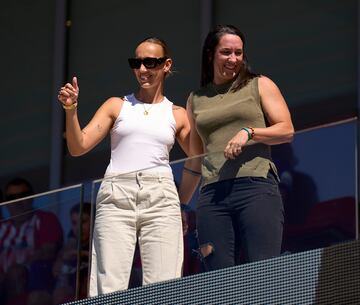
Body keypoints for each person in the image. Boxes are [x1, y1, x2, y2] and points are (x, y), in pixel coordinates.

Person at [58, 37, 190, 296]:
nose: (142, 69)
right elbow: (78, 146)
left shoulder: (177, 113)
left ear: (166, 65)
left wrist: (181, 201)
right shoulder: (116, 105)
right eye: (136, 62)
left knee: (164, 288)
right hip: (117, 193)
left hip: (161, 195)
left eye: (150, 62)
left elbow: (199, 159)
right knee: (108, 286)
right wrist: (70, 109)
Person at [181, 24, 294, 271]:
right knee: (219, 282)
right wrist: (180, 205)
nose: (234, 59)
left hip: (255, 187)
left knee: (262, 274)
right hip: (212, 196)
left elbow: (286, 130)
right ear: (211, 54)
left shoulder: (259, 84)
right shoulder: (195, 99)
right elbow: (194, 158)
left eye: (239, 53)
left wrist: (249, 132)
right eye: (226, 52)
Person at [0, 178, 63, 291]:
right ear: (6, 203)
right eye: (12, 198)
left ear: (31, 198)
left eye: (23, 196)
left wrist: (18, 269)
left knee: (16, 272)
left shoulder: (45, 219)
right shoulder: (2, 227)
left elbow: (48, 251)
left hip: (32, 283)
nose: (18, 202)